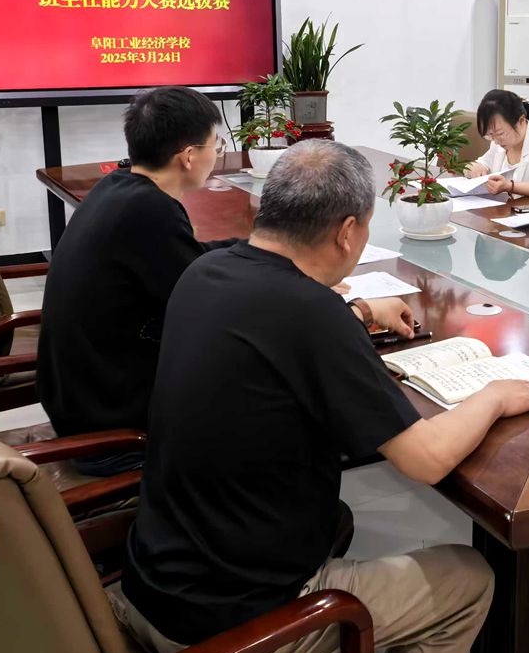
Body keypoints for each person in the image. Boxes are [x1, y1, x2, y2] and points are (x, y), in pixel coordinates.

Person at [117, 141, 529, 653]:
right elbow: (426, 459)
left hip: (151, 585)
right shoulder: (312, 313)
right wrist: (494, 395)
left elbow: (277, 330)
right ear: (347, 232)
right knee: (468, 578)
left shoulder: (205, 272)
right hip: (227, 627)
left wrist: (360, 312)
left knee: (339, 517)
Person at [37, 87, 412, 476]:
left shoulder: (120, 189)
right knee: (277, 380)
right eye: (215, 145)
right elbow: (224, 308)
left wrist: (278, 251)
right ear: (188, 156)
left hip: (80, 395)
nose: (217, 155)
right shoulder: (149, 211)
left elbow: (194, 259)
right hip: (115, 425)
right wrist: (345, 307)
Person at [462, 89, 529, 196]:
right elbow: (481, 163)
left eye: (500, 133)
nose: (496, 141)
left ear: (521, 121)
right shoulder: (498, 144)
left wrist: (510, 186)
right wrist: (472, 168)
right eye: (490, 135)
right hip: (504, 206)